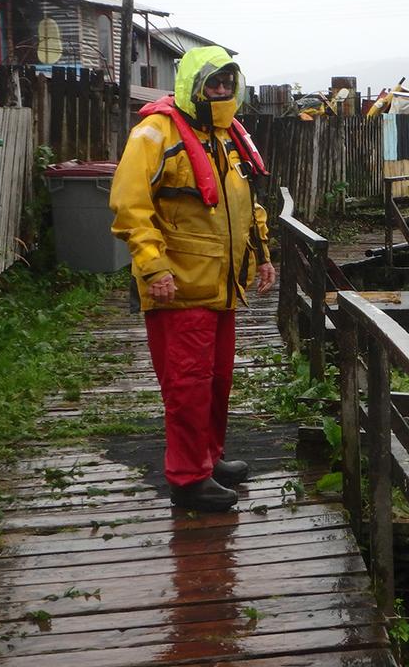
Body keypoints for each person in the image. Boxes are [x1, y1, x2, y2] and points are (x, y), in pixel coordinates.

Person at [110, 46, 276, 512]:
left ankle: (208, 458)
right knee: (186, 385)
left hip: (222, 287)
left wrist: (263, 257)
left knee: (217, 380)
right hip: (179, 287)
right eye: (212, 83)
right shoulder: (154, 134)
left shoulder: (226, 139)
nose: (220, 91)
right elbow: (130, 206)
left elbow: (247, 209)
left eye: (226, 83)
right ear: (192, 86)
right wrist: (152, 265)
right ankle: (187, 479)